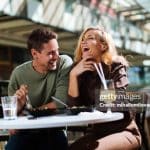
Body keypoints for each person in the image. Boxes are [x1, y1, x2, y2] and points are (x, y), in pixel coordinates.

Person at [68, 26, 141, 150]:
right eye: (83, 39)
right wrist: (73, 75)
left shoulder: (116, 65)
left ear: (103, 46)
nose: (83, 42)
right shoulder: (79, 70)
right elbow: (75, 107)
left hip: (123, 131)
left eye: (90, 38)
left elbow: (116, 101)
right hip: (97, 133)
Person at [6, 28, 73, 150]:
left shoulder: (64, 63)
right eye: (51, 53)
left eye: (57, 51)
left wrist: (29, 113)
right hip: (25, 132)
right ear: (34, 54)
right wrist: (19, 106)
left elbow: (60, 102)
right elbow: (12, 122)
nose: (56, 56)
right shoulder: (18, 73)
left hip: (53, 130)